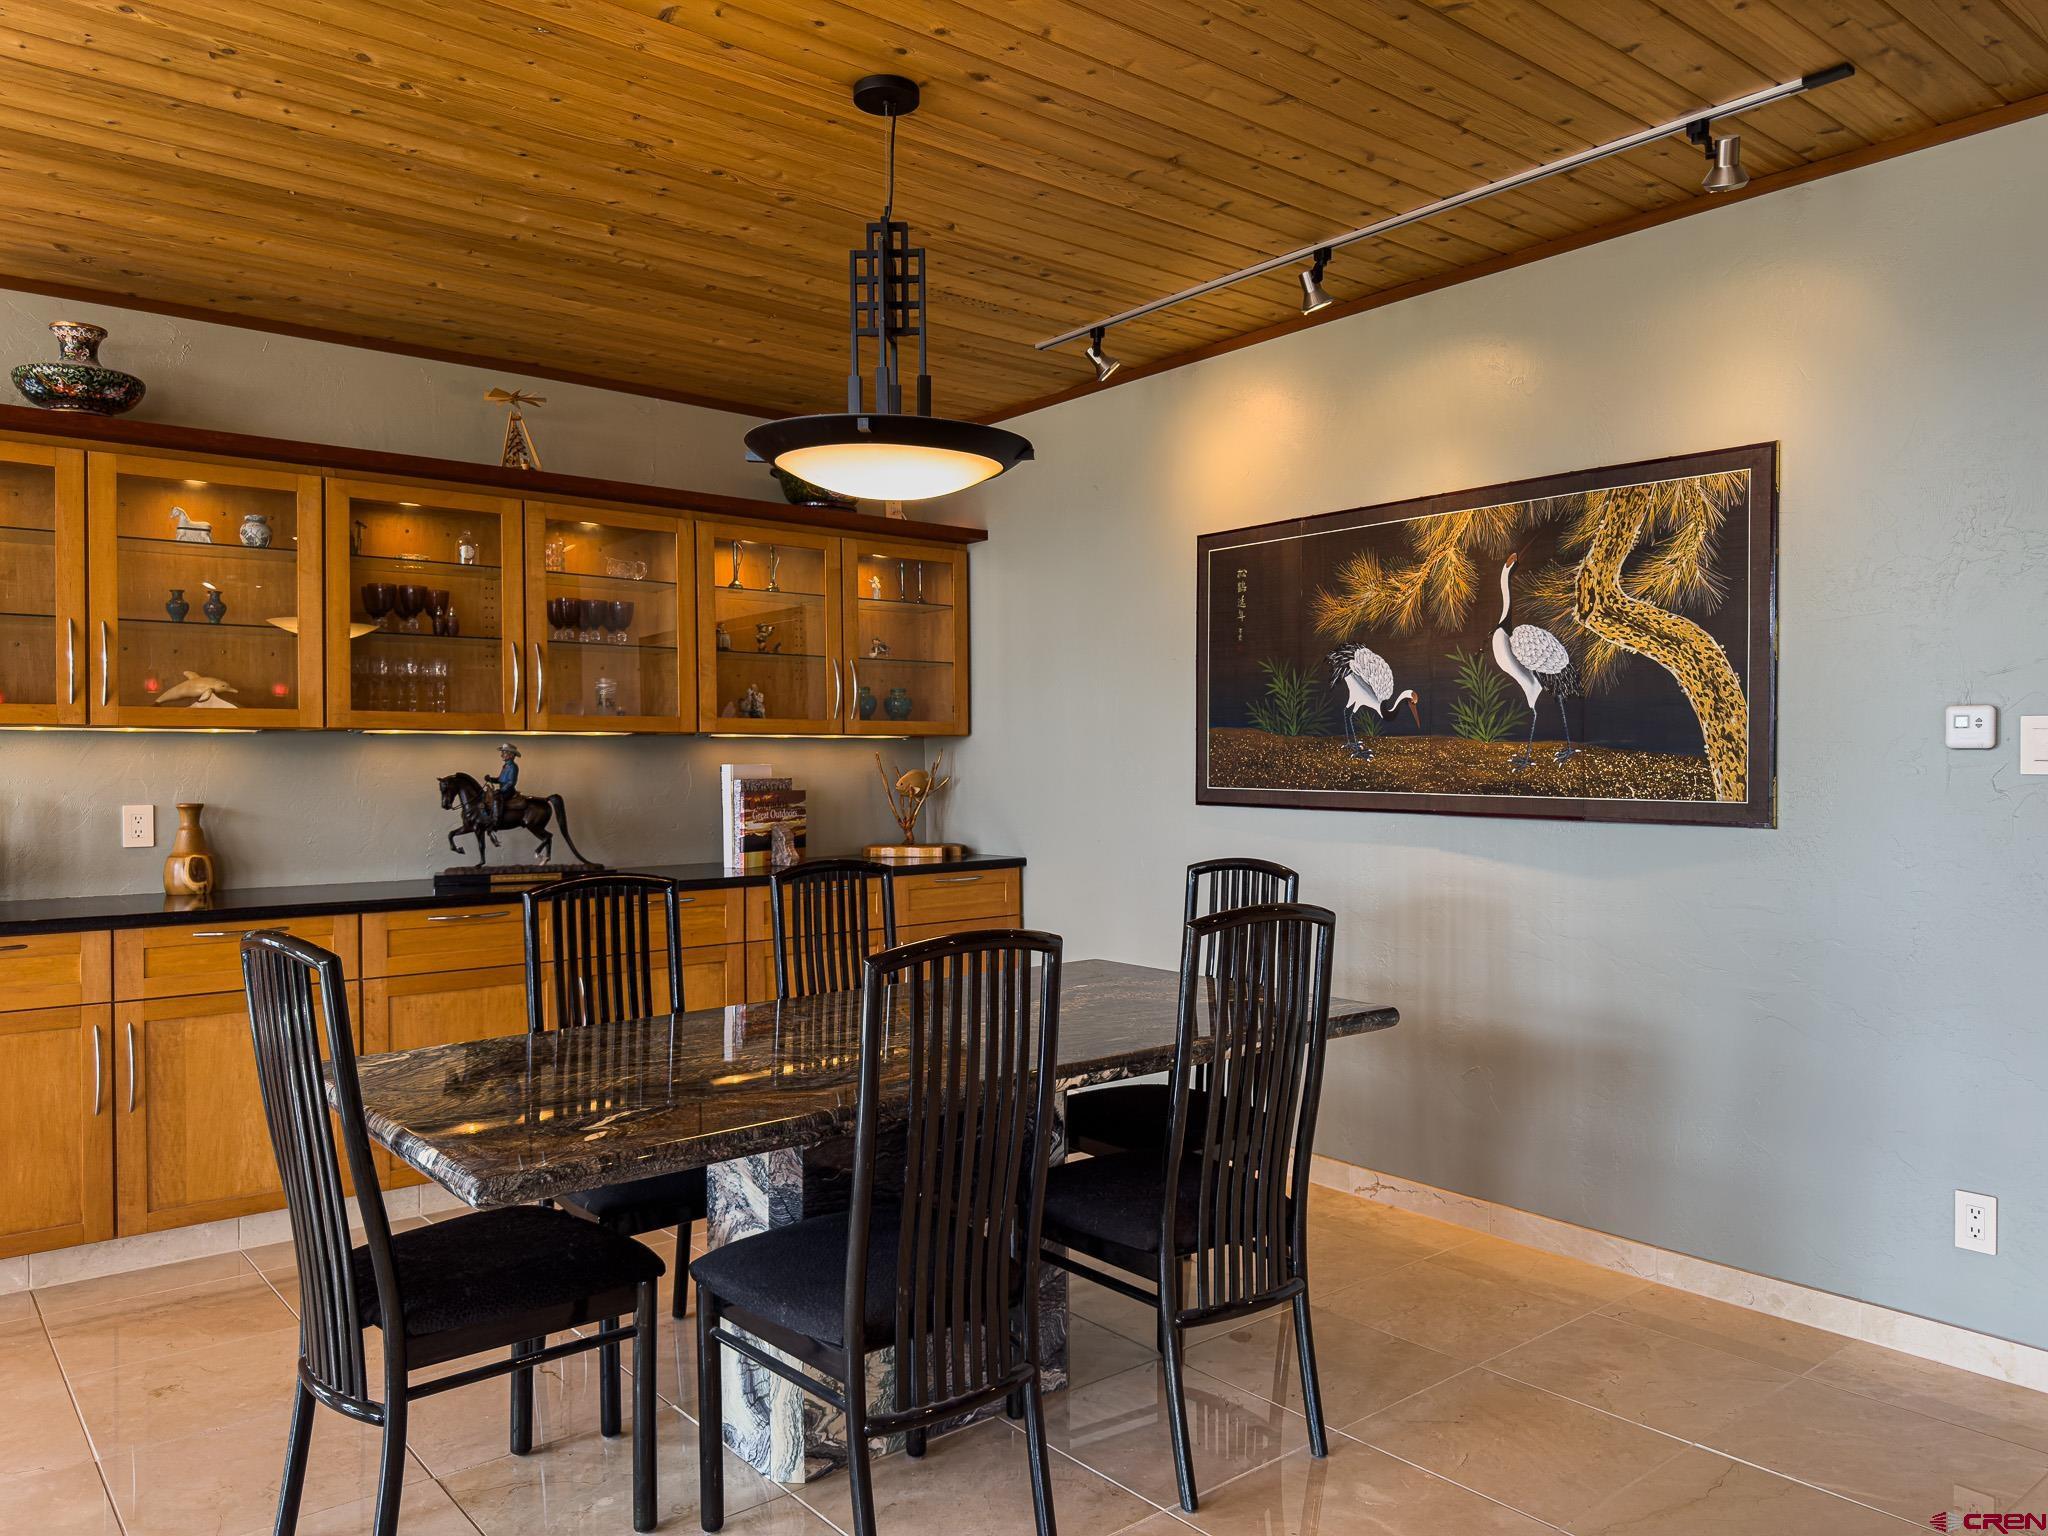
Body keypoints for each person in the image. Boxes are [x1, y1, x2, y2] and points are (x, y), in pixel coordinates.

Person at [481, 742, 519, 825]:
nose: (501, 755)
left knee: (496, 799)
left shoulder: (513, 767)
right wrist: (490, 779)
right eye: (502, 753)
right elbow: (500, 779)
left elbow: (511, 782)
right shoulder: (505, 766)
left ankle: (496, 819)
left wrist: (501, 790)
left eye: (504, 753)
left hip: (508, 791)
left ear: (511, 755)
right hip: (503, 789)